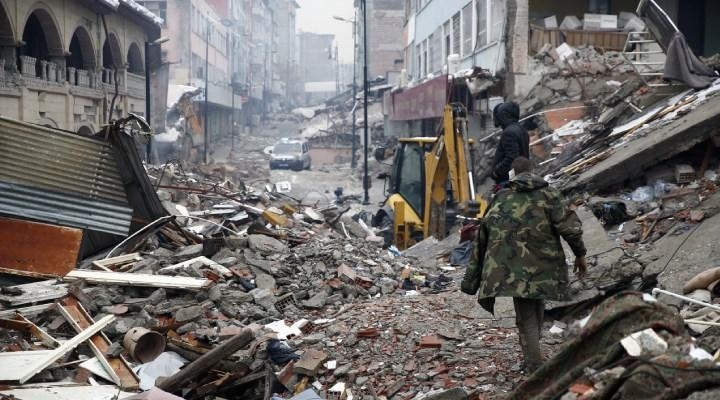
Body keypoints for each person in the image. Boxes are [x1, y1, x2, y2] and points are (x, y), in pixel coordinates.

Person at [463, 157, 587, 373]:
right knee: (535, 305)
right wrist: (580, 255)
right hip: (544, 264)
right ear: (533, 171)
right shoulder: (549, 194)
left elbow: (482, 236)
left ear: (513, 173)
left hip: (509, 267)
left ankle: (534, 365)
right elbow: (570, 228)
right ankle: (533, 357)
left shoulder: (501, 197)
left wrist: (472, 277)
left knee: (526, 316)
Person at [491, 101, 530, 185]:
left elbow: (511, 157)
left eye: (499, 115)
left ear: (503, 115)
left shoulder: (509, 132)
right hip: (522, 177)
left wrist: (497, 171)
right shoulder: (522, 130)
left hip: (508, 180)